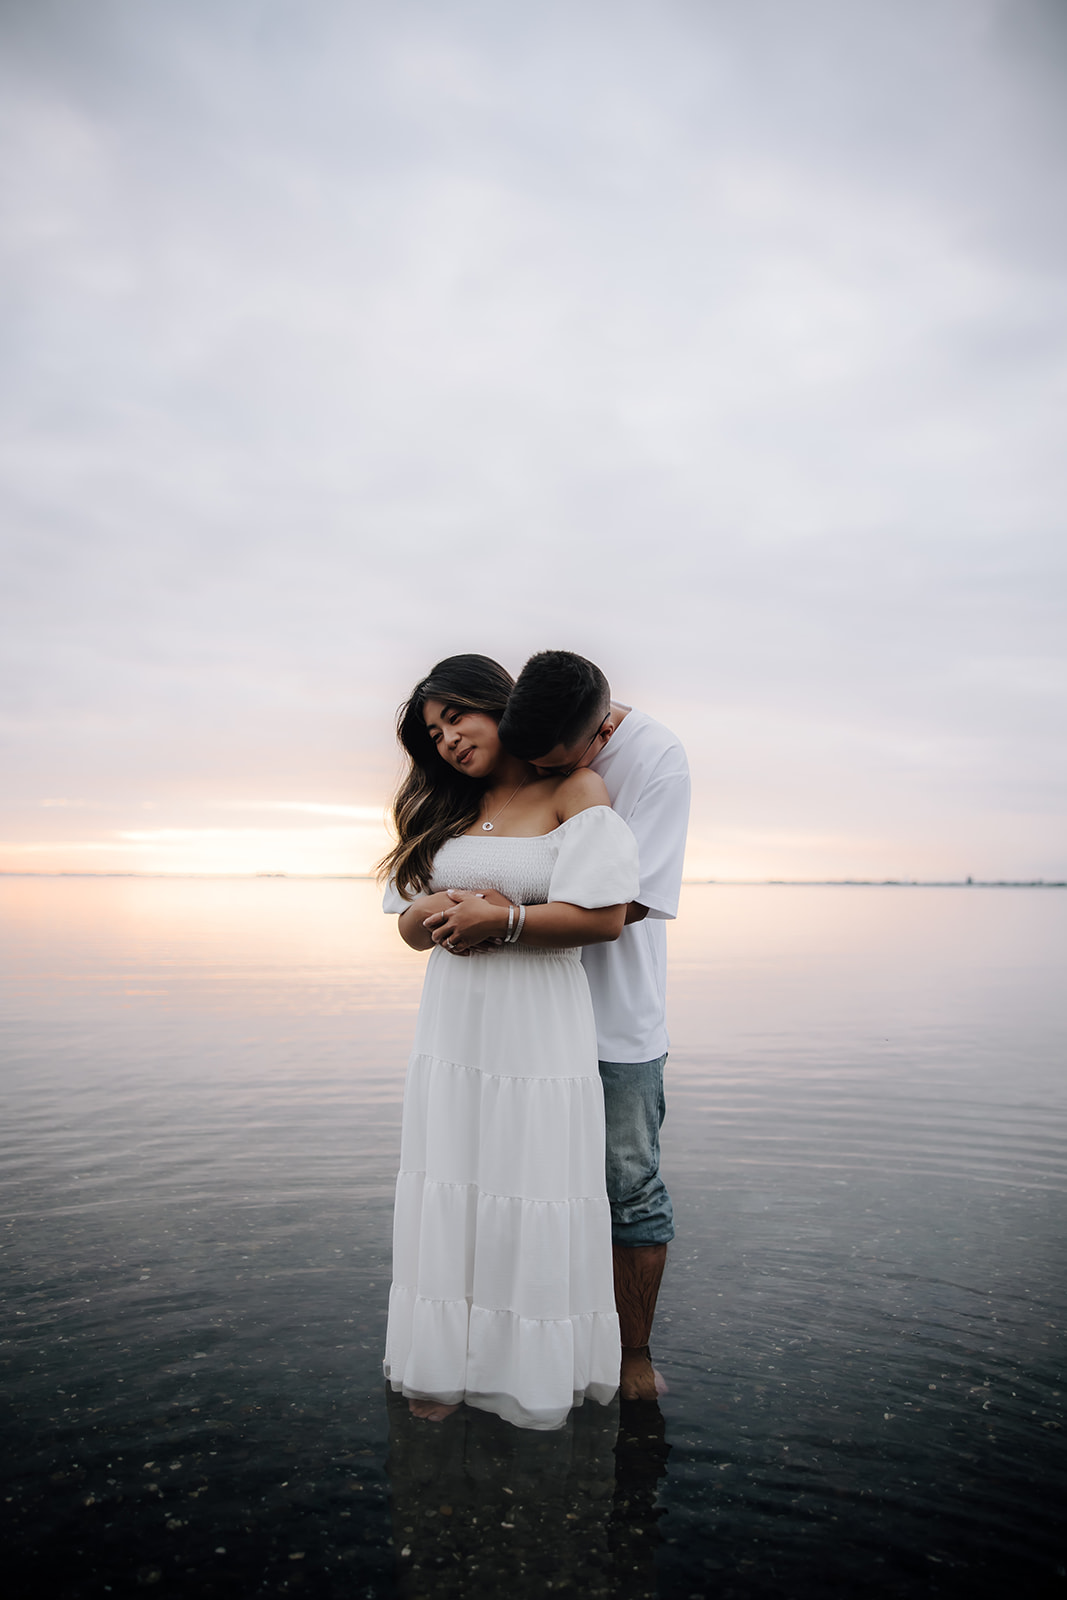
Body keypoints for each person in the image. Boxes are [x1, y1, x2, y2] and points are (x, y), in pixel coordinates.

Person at [379, 654, 641, 1431]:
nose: (449, 740)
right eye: (433, 733)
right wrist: (441, 913)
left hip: (537, 1021)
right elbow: (405, 928)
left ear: (499, 706)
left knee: (529, 1180)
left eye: (457, 716)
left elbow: (603, 915)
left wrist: (506, 918)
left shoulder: (575, 789)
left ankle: (527, 1371)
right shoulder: (445, 805)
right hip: (456, 1021)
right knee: (453, 1174)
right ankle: (444, 1362)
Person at [495, 651, 690, 1403]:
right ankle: (535, 1336)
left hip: (614, 1022)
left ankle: (632, 1353)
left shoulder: (657, 759)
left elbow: (628, 905)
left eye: (559, 762)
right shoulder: (528, 741)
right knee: (519, 1182)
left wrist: (504, 911)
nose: (545, 774)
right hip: (521, 1015)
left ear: (598, 736)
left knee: (627, 1187)